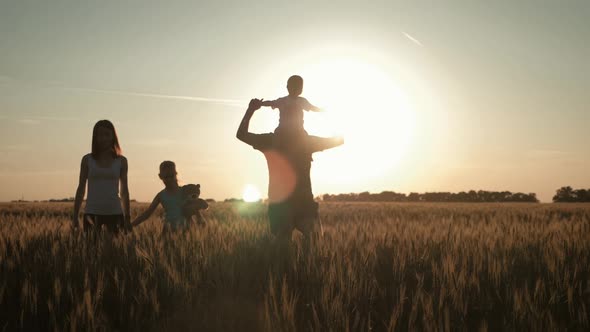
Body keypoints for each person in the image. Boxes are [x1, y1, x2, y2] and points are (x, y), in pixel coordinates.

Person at [236, 98, 343, 242]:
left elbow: (241, 135)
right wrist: (333, 113)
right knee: (314, 243)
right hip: (303, 202)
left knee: (282, 247)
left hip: (280, 203)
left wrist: (251, 110)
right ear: (301, 119)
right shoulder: (308, 142)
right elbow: (339, 140)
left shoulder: (270, 141)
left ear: (281, 118)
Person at [72, 120, 131, 233]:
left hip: (115, 213)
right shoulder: (87, 160)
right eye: (99, 135)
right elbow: (81, 189)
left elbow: (124, 191)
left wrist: (127, 217)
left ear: (113, 136)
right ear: (95, 137)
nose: (103, 138)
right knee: (91, 249)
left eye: (107, 134)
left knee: (115, 250)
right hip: (91, 213)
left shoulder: (122, 161)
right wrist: (75, 216)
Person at [131, 161, 208, 232]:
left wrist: (200, 219)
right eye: (166, 176)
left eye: (172, 176)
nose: (169, 179)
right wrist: (131, 225)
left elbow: (194, 207)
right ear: (160, 176)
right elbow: (147, 213)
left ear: (176, 174)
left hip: (187, 229)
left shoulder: (185, 191)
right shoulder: (161, 195)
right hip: (169, 230)